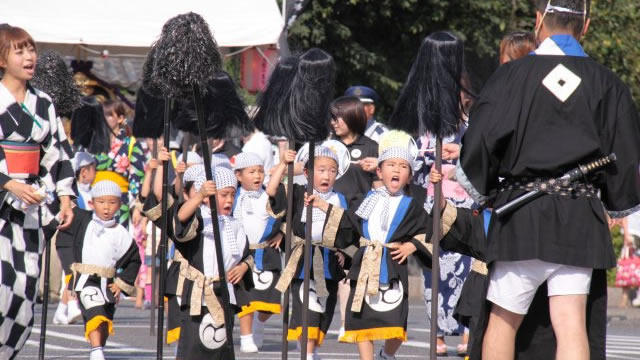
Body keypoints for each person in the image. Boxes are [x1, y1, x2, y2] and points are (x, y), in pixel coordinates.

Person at [456, 1, 640, 359]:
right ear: (585, 25)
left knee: (503, 320)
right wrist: (614, 201)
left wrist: (487, 191)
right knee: (570, 322)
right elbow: (629, 156)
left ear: (538, 20)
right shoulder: (608, 83)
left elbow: (478, 143)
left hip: (522, 213)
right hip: (579, 216)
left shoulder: (511, 76)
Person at [0, 25, 75, 359]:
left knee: (26, 289)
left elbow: (56, 153)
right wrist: (8, 182)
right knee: (4, 287)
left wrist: (64, 196)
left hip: (30, 209)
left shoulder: (43, 103)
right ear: (2, 58)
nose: (30, 56)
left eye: (31, 49)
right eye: (19, 50)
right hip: (3, 204)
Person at [338, 130, 433, 360]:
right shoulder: (365, 201)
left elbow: (430, 231)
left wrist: (412, 246)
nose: (397, 170)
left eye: (403, 166)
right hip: (365, 265)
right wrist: (320, 206)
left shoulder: (412, 205)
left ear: (409, 176)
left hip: (392, 265)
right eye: (391, 164)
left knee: (397, 321)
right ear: (379, 170)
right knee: (362, 318)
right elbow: (347, 225)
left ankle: (386, 355)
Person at [267, 142, 356, 360]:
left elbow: (348, 232)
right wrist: (283, 164)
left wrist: (343, 253)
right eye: (321, 170)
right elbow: (271, 192)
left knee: (323, 313)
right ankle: (307, 354)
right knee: (308, 311)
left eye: (332, 171)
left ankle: (310, 350)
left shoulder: (339, 199)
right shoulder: (297, 192)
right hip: (303, 262)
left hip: (329, 264)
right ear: (307, 173)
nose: (327, 175)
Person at [172, 165, 253, 360]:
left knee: (220, 348)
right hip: (199, 294)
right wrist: (200, 195)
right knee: (194, 347)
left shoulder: (235, 224)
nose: (229, 200)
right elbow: (180, 219)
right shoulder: (200, 218)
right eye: (224, 195)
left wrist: (244, 267)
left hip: (224, 292)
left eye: (232, 195)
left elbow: (246, 254)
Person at [56, 180, 141, 360]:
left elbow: (134, 260)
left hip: (109, 283)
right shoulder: (82, 220)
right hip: (86, 279)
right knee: (95, 310)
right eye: (101, 202)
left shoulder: (121, 233)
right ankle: (96, 351)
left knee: (104, 320)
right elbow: (65, 205)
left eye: (112, 203)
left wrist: (121, 283)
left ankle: (97, 347)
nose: (106, 208)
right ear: (92, 203)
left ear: (119, 205)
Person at [232, 152, 283, 352]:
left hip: (266, 253)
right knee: (247, 299)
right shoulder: (233, 196)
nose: (257, 176)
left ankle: (259, 325)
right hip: (242, 254)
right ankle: (246, 336)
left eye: (260, 171)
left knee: (270, 300)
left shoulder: (268, 195)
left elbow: (284, 214)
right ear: (238, 175)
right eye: (251, 172)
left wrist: (280, 233)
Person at [93, 99, 145, 228]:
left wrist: (137, 206)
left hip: (120, 201)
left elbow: (137, 177)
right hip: (94, 199)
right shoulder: (92, 142)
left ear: (121, 118)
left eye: (110, 115)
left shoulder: (131, 144)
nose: (105, 119)